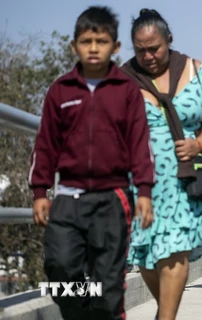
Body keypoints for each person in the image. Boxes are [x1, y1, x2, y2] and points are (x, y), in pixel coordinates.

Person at [29, 6, 155, 320]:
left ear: (115, 47)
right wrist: (39, 191)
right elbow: (46, 143)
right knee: (60, 270)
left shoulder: (126, 91)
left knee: (108, 286)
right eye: (87, 41)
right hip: (67, 198)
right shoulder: (61, 90)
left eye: (102, 41)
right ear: (75, 46)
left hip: (112, 198)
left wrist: (144, 192)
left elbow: (140, 144)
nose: (94, 48)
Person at [121, 9, 202, 320]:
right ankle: (164, 314)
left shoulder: (196, 70)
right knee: (146, 251)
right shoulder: (123, 78)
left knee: (176, 246)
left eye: (154, 48)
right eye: (140, 50)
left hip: (185, 179)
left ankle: (165, 318)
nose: (148, 55)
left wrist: (198, 144)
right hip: (139, 181)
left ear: (169, 40)